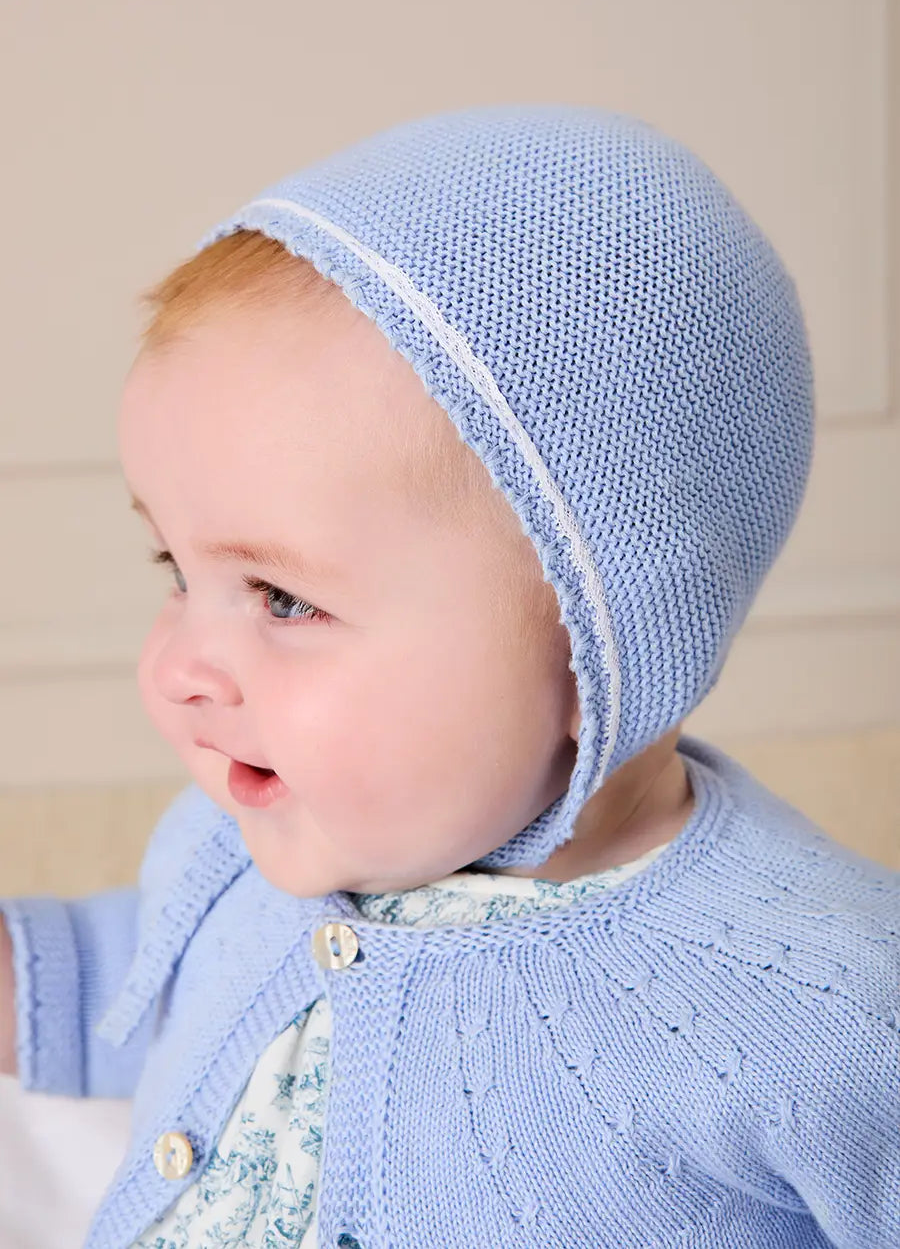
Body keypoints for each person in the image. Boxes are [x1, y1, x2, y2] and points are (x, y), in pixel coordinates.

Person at [0, 104, 897, 1249]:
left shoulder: (826, 1010)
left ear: (595, 643)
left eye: (283, 599)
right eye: (177, 570)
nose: (179, 668)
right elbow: (160, 982)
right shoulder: (252, 835)